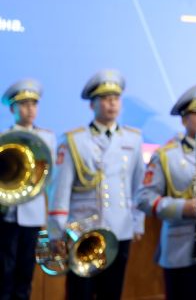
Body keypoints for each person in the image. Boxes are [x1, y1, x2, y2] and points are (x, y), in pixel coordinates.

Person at [49, 69, 145, 300]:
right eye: (104, 98)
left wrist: (137, 223)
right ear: (92, 104)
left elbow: (137, 186)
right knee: (79, 293)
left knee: (111, 292)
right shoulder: (74, 140)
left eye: (116, 98)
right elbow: (60, 190)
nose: (112, 103)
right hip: (83, 231)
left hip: (118, 230)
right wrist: (56, 230)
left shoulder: (132, 139)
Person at [137, 84, 196, 300]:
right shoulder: (165, 155)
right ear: (184, 118)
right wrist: (183, 208)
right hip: (180, 250)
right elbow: (144, 199)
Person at [1, 79, 56, 300]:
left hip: (32, 215)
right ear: (12, 108)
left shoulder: (47, 138)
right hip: (7, 216)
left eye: (34, 104)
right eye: (23, 104)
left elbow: (49, 177)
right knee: (5, 270)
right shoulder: (3, 138)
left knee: (25, 272)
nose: (30, 109)